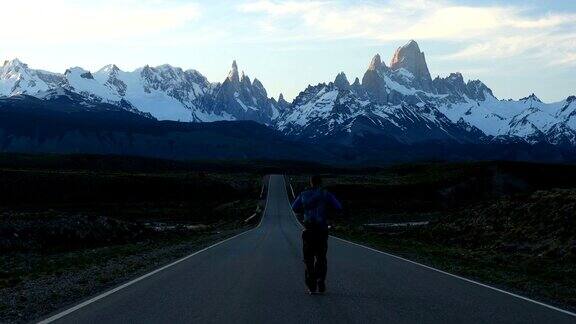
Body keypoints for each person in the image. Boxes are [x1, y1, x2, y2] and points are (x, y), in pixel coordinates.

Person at [291, 175, 342, 294]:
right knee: (321, 257)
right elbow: (338, 207)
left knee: (308, 259)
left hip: (308, 230)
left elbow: (294, 207)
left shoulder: (303, 194)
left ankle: (311, 286)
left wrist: (305, 211)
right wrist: (329, 216)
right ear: (321, 182)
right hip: (322, 230)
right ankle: (320, 280)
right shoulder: (325, 194)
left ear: (311, 182)